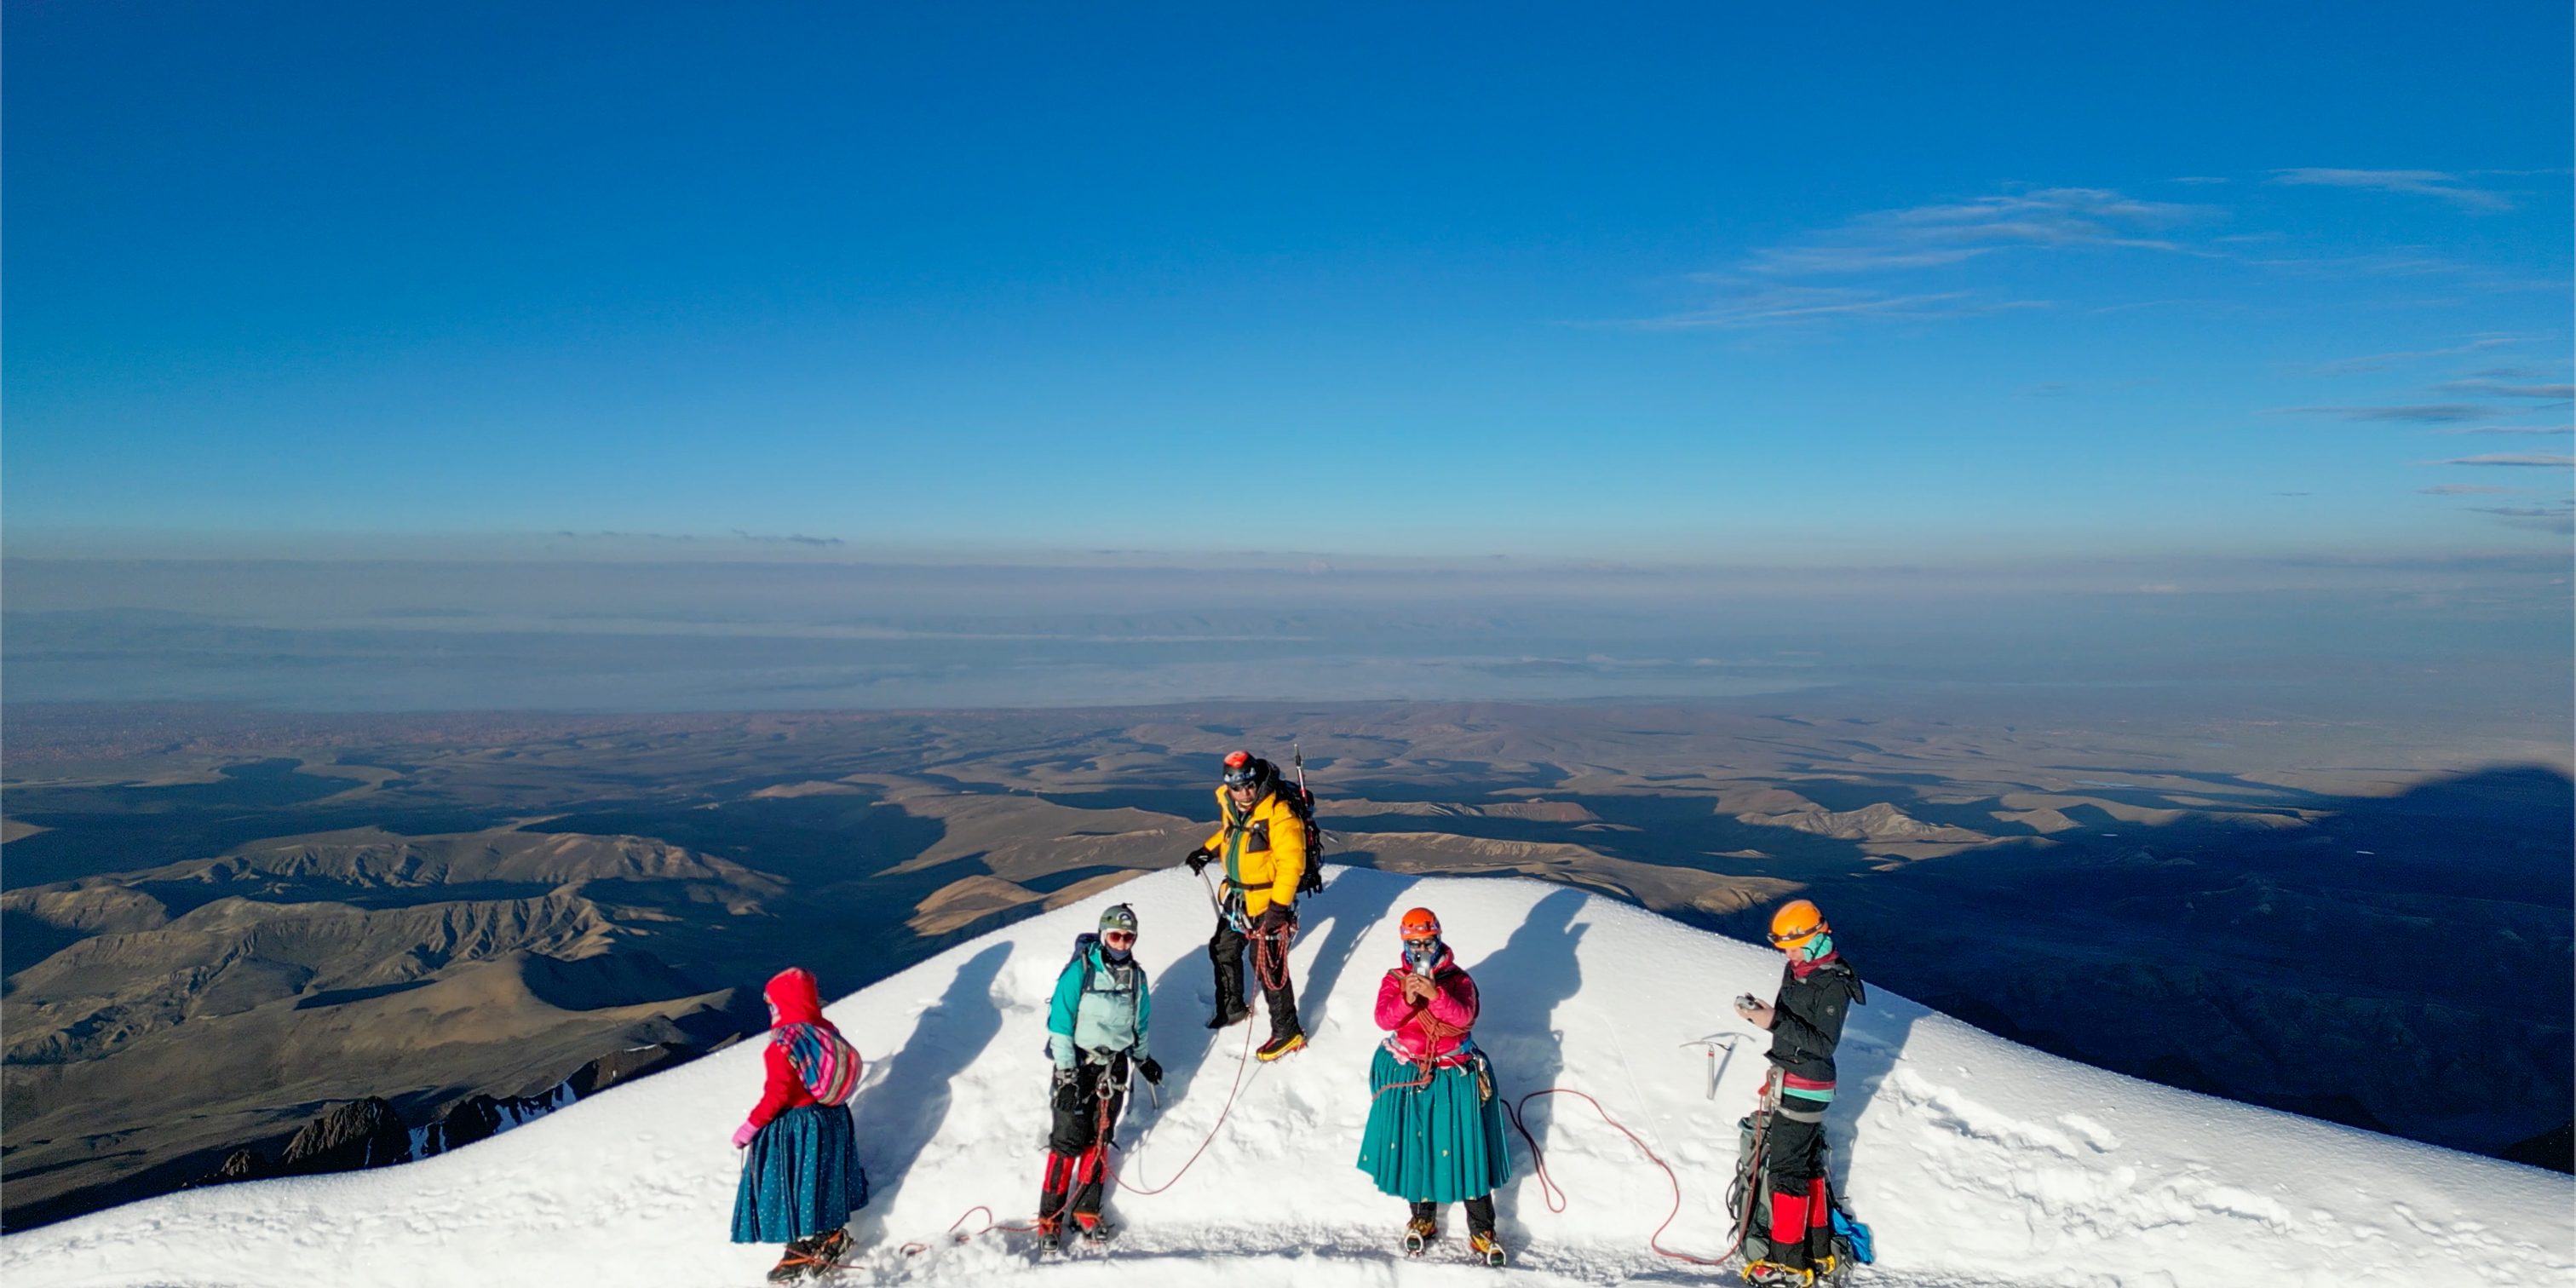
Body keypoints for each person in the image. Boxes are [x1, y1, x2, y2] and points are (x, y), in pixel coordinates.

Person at [1356, 907, 1512, 1266]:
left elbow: (1465, 1017)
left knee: (1466, 1149)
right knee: (1417, 1146)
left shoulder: (1459, 981)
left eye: (1426, 941)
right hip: (1413, 1072)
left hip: (1451, 1073)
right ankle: (1423, 1217)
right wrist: (1408, 997)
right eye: (1413, 943)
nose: (1420, 949)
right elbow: (1384, 1019)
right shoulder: (1395, 979)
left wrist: (1435, 995)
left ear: (1438, 939)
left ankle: (1482, 1227)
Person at [1733, 899, 1866, 1288]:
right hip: (1792, 1079)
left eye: (1793, 947)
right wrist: (1765, 1015)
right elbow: (1794, 1027)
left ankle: (1787, 1260)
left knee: (1786, 1170)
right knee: (1805, 1167)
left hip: (1808, 1084)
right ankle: (1817, 1249)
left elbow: (1823, 1044)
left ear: (1814, 940)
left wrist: (1772, 1020)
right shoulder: (1801, 970)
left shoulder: (1834, 982)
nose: (1788, 955)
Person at [731, 967, 869, 1284]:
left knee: (793, 1184)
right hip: (832, 1118)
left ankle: (808, 1242)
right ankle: (826, 1235)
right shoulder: (825, 1030)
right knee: (822, 1178)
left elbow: (778, 1094)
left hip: (799, 1125)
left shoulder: (782, 1044)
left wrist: (750, 1127)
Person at [1038, 903, 1164, 1245]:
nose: (1122, 943)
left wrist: (1143, 1059)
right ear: (1104, 933)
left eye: (1128, 937)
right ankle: (1049, 1218)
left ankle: (1085, 1211)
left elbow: (1140, 1024)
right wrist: (1066, 1075)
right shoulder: (1080, 971)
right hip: (1078, 1064)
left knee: (1099, 1139)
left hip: (1115, 1067)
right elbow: (1060, 1025)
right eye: (1116, 935)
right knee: (1067, 1140)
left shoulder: (1136, 977)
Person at [1182, 750, 1308, 1061]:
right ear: (1229, 785)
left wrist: (1278, 909)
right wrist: (1207, 850)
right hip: (1238, 897)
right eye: (1237, 787)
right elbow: (1231, 834)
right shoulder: (1231, 803)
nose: (1244, 792)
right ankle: (1232, 1007)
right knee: (1223, 948)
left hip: (1268, 900)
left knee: (1266, 963)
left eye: (1249, 785)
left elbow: (1292, 864)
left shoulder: (1279, 814)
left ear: (1257, 780)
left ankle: (1287, 1031)